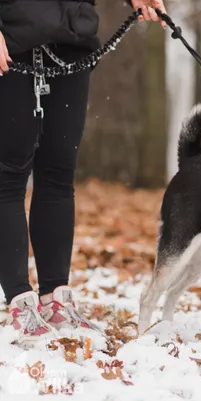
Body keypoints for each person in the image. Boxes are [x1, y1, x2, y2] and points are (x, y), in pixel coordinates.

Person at [0, 0, 166, 346]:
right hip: (12, 40)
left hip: (73, 38)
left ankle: (56, 298)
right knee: (9, 176)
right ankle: (19, 303)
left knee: (59, 174)